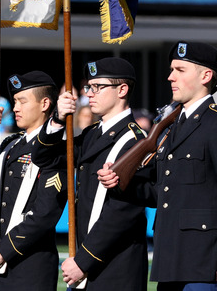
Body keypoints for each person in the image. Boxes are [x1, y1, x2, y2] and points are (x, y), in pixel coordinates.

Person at [99, 41, 217, 290]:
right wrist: (120, 183)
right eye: (172, 69)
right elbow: (161, 191)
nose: (170, 76)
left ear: (206, 76)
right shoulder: (174, 126)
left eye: (180, 70)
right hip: (170, 261)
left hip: (207, 265)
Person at [33, 58, 149, 290]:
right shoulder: (92, 134)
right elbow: (45, 158)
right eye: (89, 87)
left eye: (98, 87)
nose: (90, 94)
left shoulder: (136, 141)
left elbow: (122, 212)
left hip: (115, 265)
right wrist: (56, 119)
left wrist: (83, 260)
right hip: (87, 261)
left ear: (122, 90)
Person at [0, 71, 67, 291]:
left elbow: (45, 214)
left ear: (45, 103)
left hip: (29, 265)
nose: (14, 108)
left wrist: (4, 250)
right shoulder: (10, 145)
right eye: (14, 101)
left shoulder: (57, 150)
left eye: (22, 101)